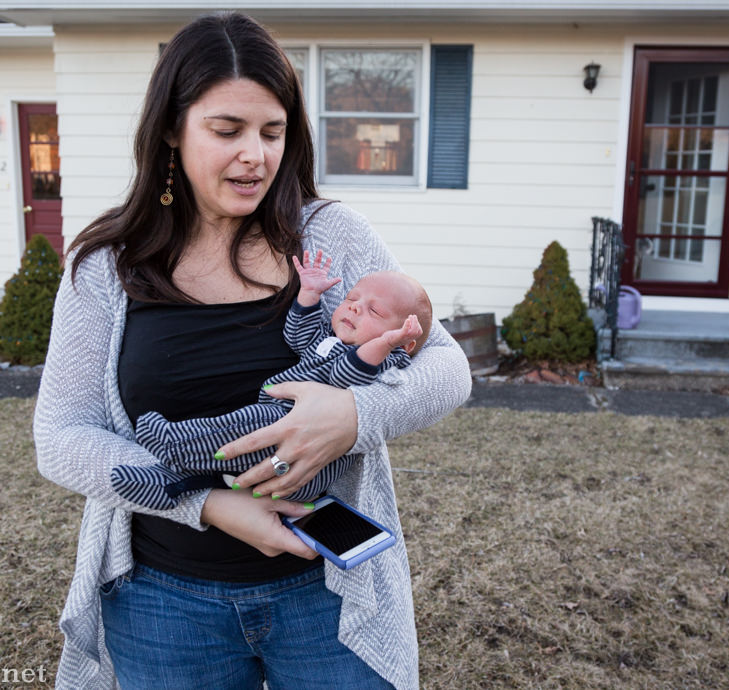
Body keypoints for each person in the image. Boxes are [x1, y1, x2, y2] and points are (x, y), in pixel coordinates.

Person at [33, 11, 471, 690]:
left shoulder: (332, 236)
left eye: (273, 132)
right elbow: (60, 437)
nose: (256, 155)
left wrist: (353, 418)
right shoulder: (106, 266)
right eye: (227, 130)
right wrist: (205, 504)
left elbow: (448, 366)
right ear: (172, 132)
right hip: (163, 603)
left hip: (325, 592)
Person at [112, 249, 433, 510]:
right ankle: (171, 485)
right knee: (225, 460)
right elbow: (297, 335)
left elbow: (347, 374)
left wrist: (385, 343)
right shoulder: (330, 338)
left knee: (247, 423)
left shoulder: (386, 361)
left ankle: (174, 444)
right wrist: (309, 294)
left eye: (374, 312)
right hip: (284, 430)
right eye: (351, 298)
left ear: (403, 342)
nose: (355, 308)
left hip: (305, 457)